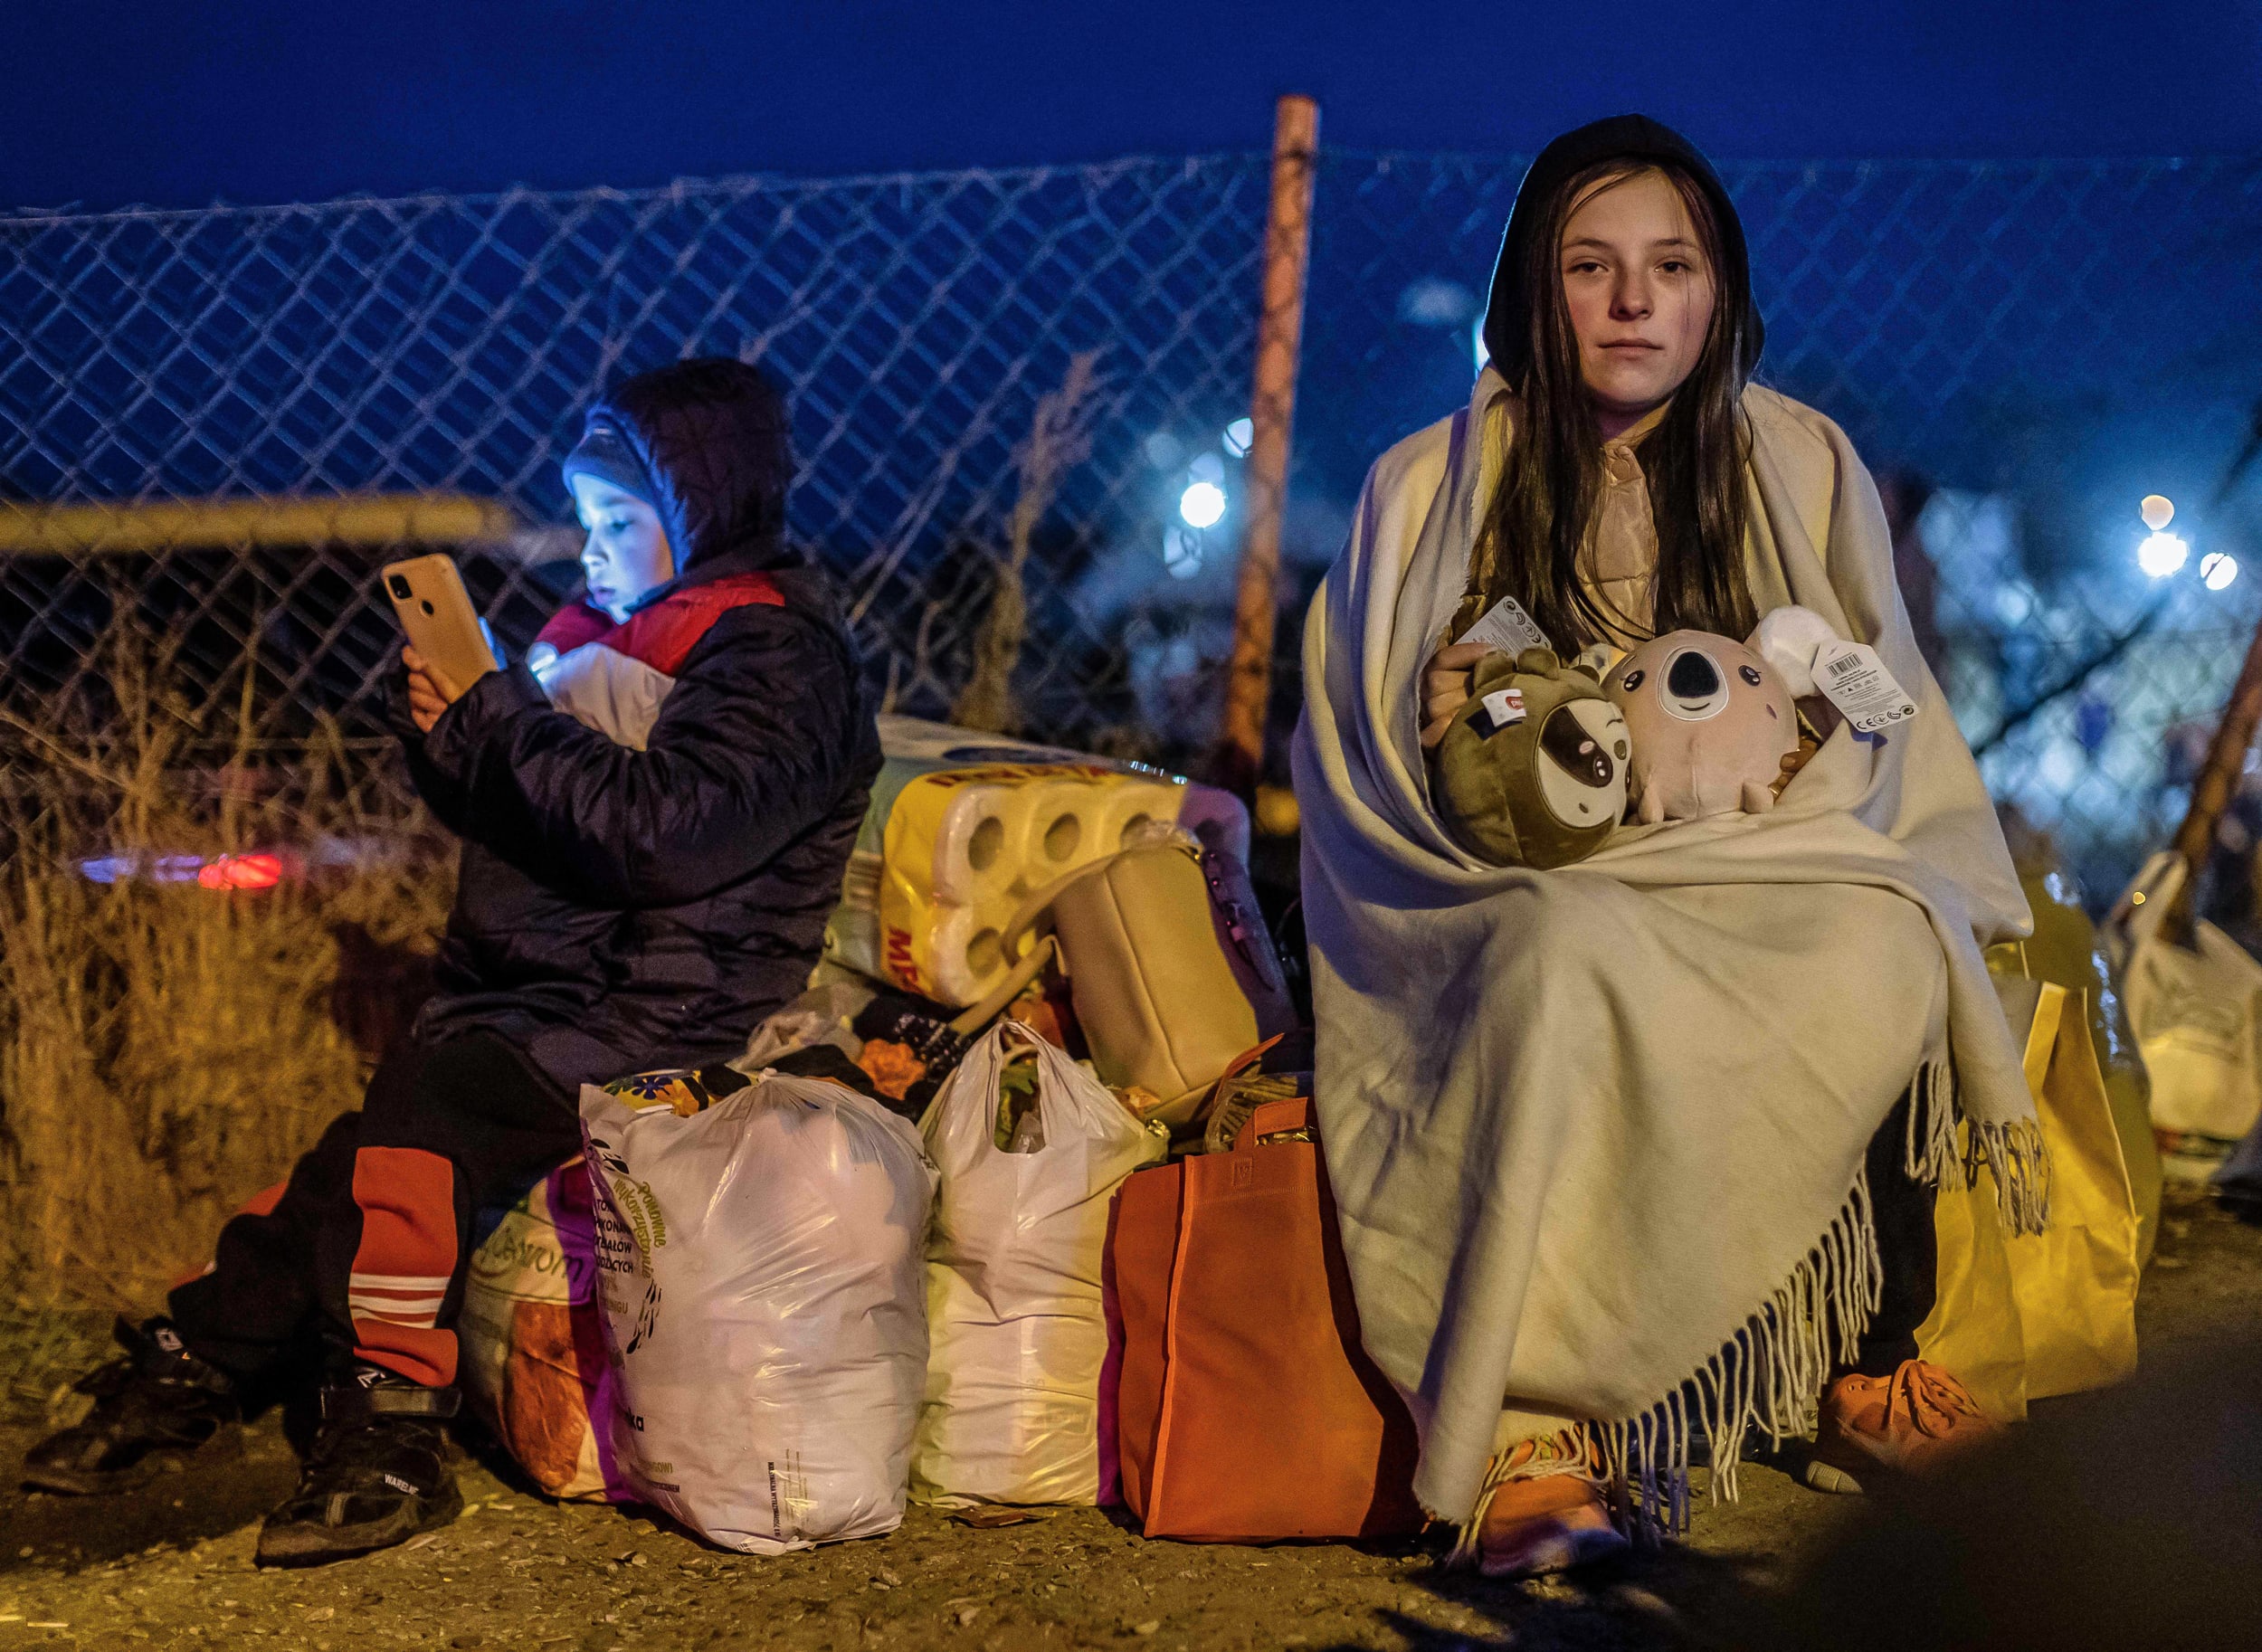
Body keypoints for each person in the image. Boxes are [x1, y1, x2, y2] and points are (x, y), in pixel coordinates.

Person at [1293, 118, 2042, 1579]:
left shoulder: (1801, 458)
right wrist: (1457, 727)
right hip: (1530, 873)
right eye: (1592, 266)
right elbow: (1371, 748)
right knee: (1565, 952)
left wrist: (1804, 768)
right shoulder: (1427, 486)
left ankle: (1858, 1358)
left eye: (1670, 266)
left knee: (1889, 927)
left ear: (1719, 294)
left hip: (1763, 848)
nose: (1634, 301)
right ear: (1534, 292)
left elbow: (1879, 698)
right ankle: (1534, 1421)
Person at [20, 356, 883, 1565]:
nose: (592, 549)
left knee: (422, 1114)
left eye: (622, 522)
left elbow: (665, 835)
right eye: (585, 520)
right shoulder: (610, 631)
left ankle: (391, 1420)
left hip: (676, 1008)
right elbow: (521, 790)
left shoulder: (776, 663)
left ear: (706, 510)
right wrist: (444, 722)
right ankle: (208, 1353)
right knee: (364, 1150)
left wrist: (495, 720)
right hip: (561, 990)